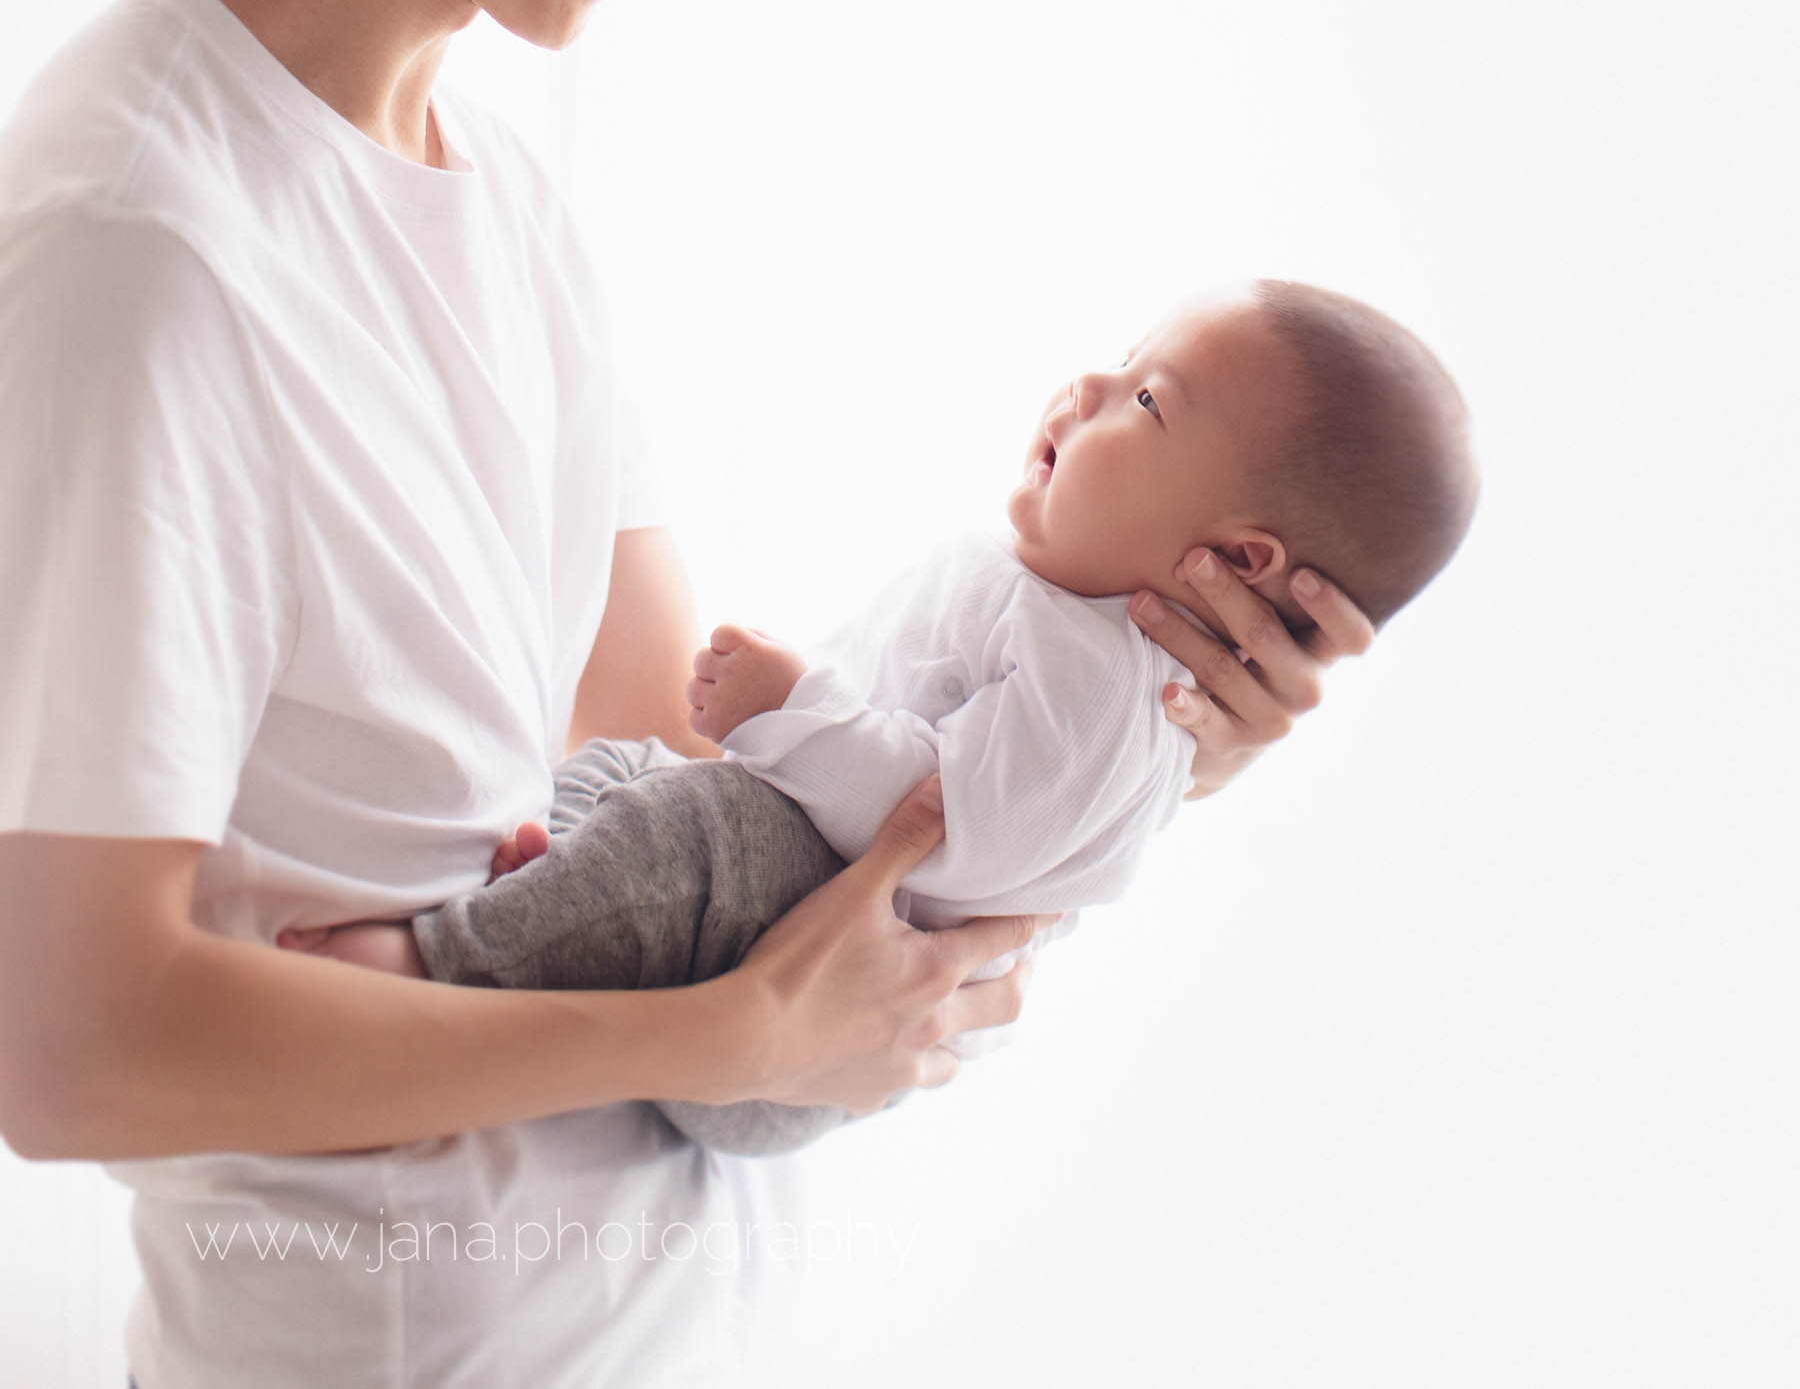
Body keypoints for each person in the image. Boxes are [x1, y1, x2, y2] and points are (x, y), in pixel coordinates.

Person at [0, 0, 1376, 1389]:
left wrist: (1135, 760)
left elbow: (713, 825)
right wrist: (706, 1043)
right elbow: (74, 1046)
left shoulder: (500, 201)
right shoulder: (134, 254)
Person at [280, 279, 1471, 1156]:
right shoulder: (1058, 608)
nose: (1086, 389)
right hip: (789, 955)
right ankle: (558, 876)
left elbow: (943, 822)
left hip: (824, 967)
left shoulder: (1113, 684)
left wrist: (792, 710)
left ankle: (436, 965)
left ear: (1234, 557)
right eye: (1118, 362)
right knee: (650, 791)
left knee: (689, 830)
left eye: (1146, 400)